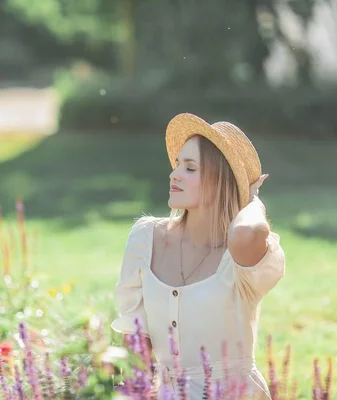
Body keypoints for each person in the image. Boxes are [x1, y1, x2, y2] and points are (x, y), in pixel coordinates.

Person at [111, 112, 286, 399]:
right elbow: (135, 336)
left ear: (221, 181)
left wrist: (254, 200)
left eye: (190, 168)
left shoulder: (240, 256)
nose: (174, 173)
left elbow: (248, 232)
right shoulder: (146, 239)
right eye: (178, 164)